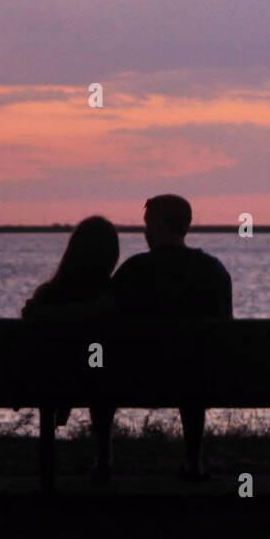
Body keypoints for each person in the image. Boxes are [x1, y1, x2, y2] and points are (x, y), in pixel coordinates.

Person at [104, 193, 232, 480]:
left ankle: (103, 459)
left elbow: (104, 319)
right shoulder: (213, 270)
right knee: (194, 364)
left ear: (161, 225)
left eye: (148, 223)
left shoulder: (134, 270)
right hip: (203, 378)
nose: (145, 231)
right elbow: (226, 330)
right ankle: (193, 459)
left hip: (134, 378)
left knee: (102, 371)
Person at [20, 216, 120, 480]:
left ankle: (59, 415)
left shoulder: (46, 296)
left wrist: (46, 314)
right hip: (102, 382)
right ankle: (103, 458)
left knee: (75, 366)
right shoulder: (113, 298)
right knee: (100, 371)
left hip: (54, 381)